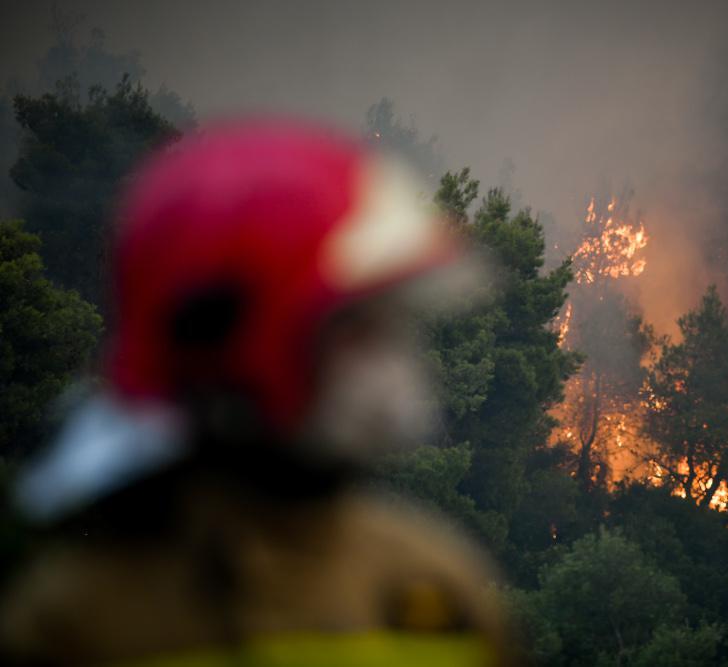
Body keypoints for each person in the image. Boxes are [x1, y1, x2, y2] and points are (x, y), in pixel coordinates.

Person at [0, 120, 509, 666]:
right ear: (225, 336)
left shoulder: (434, 589)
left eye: (395, 323)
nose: (395, 362)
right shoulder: (76, 625)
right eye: (358, 327)